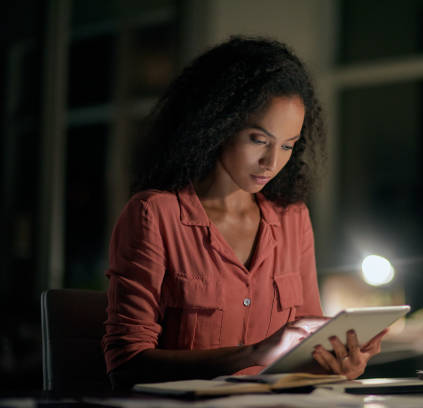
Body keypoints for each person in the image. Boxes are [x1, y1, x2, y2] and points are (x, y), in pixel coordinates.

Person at [102, 36, 387, 388]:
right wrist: (251, 355)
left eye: (287, 146)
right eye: (258, 140)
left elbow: (305, 354)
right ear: (218, 125)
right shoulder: (154, 215)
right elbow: (125, 366)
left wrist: (339, 363)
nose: (272, 163)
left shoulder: (292, 218)